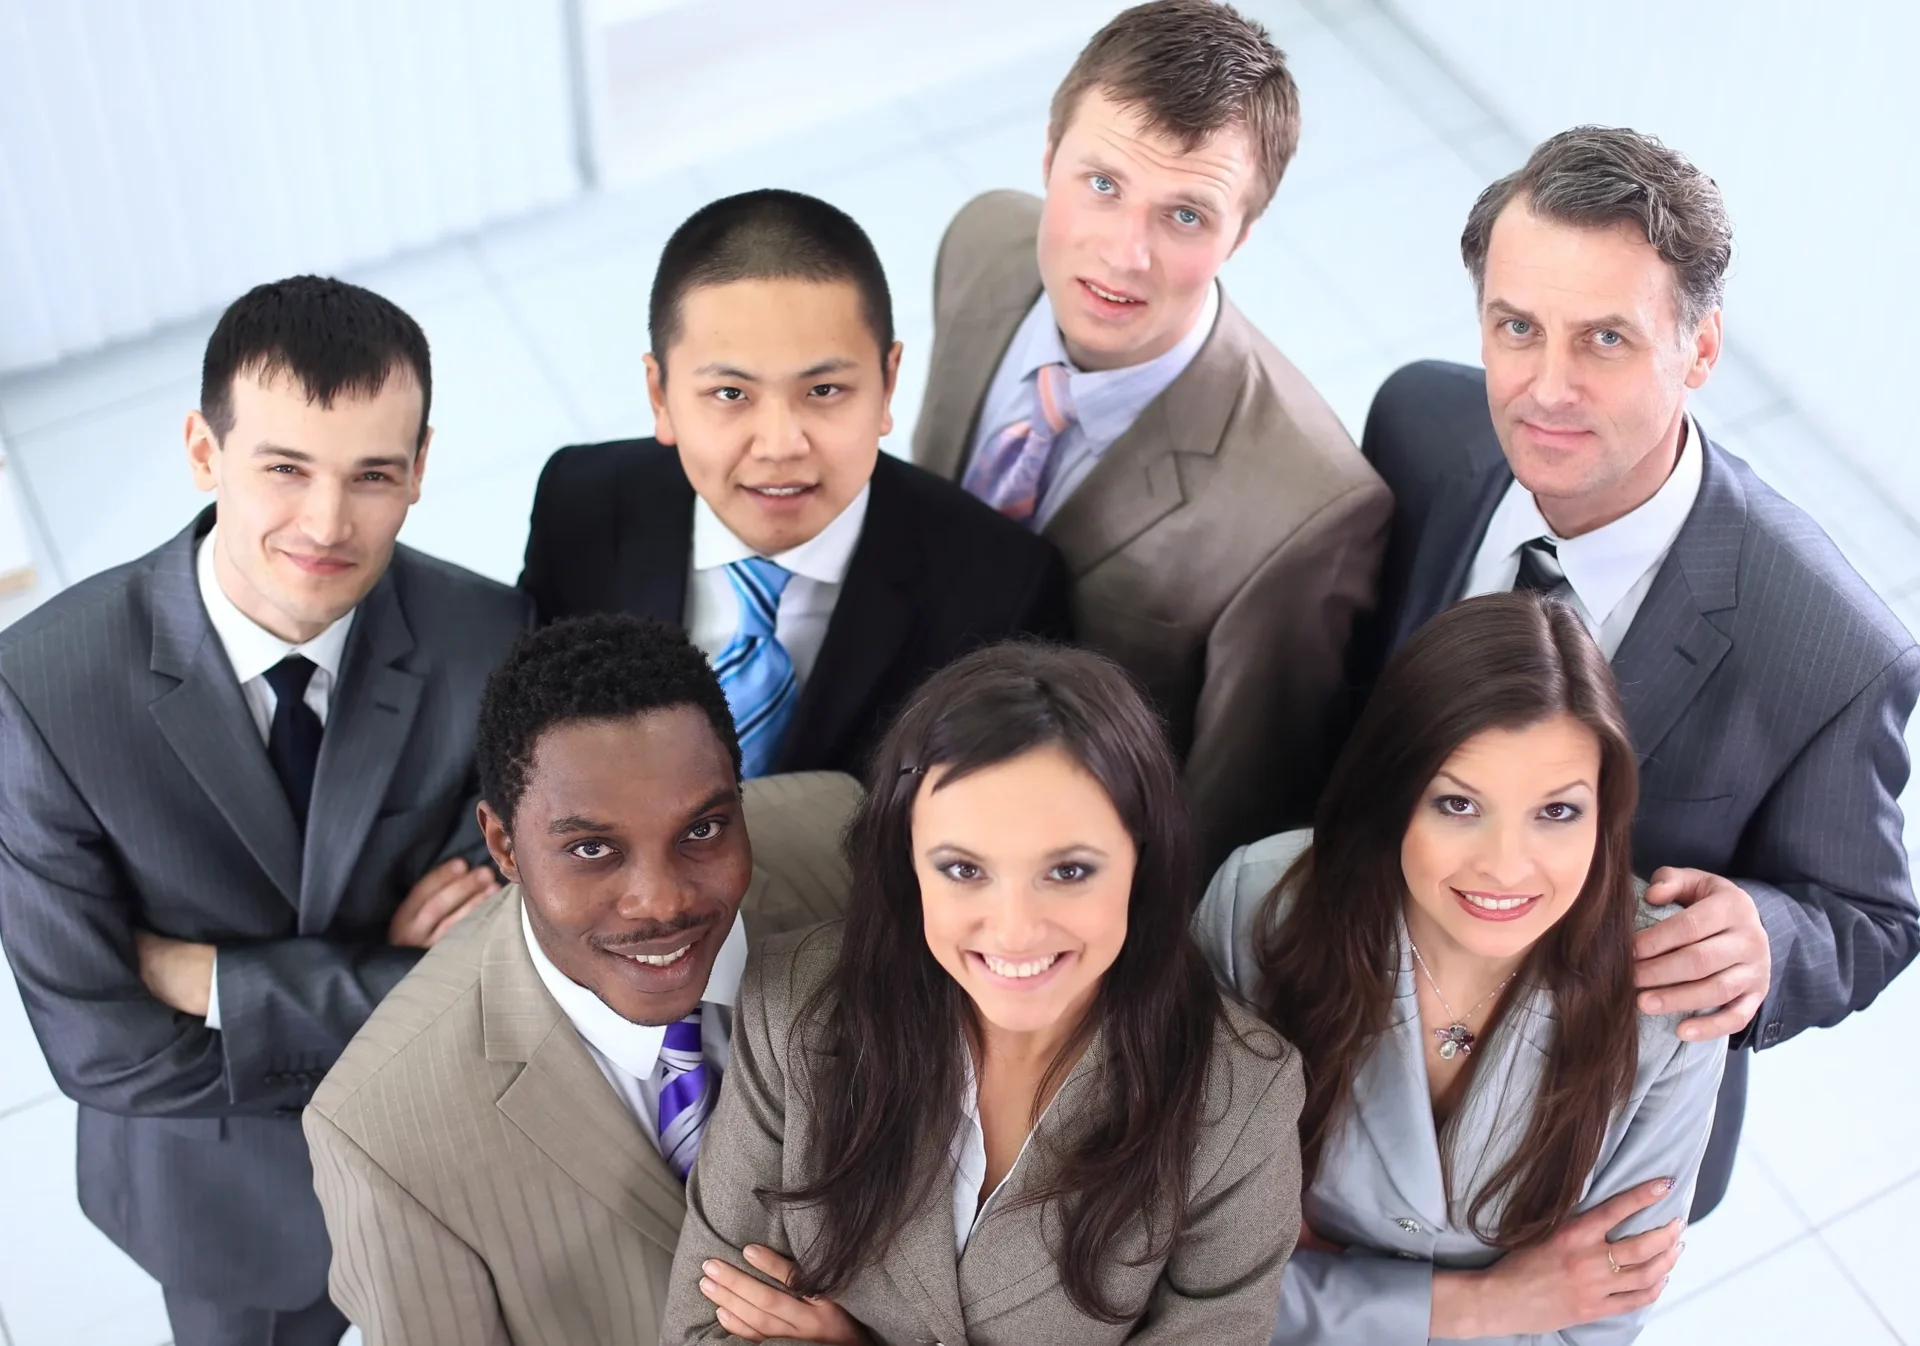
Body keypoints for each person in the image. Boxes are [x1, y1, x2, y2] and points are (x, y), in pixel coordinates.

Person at [1352, 126, 1920, 1218]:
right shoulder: (1422, 426)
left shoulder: (1832, 647)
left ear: (1698, 352)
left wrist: (1769, 938)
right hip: (1357, 1012)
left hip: (1585, 1121)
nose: (1545, 387)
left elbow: (1870, 915)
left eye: (1605, 340)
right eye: (1516, 327)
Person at [0, 276, 530, 1346]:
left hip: (444, 1169)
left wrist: (216, 982)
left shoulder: (491, 635)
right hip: (220, 1207)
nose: (327, 524)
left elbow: (501, 969)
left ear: (421, 467)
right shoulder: (41, 688)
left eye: (373, 475)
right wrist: (384, 968)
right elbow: (100, 1047)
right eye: (284, 468)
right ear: (204, 451)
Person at [661, 642, 1305, 1346]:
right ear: (909, 866)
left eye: (1068, 872)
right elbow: (702, 1329)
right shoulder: (796, 1004)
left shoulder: (1242, 1096)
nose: (1015, 929)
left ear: (1142, 863)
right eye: (965, 869)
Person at [910, 0, 1390, 867]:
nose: (1124, 254)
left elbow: (1229, 826)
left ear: (1242, 233)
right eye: (1101, 185)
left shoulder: (1309, 513)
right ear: (1049, 158)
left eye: (1184, 216)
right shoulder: (981, 243)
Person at [304, 614, 862, 1346]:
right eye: (593, 848)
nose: (662, 903)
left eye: (701, 831)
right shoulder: (387, 1142)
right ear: (502, 843)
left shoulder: (849, 852)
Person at [1198, 592, 1725, 1344]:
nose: (1506, 867)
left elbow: (1595, 1321)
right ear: (1396, 795)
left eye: (1557, 813)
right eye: (1457, 805)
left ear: (1606, 812)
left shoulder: (1670, 991)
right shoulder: (1259, 904)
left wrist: (1323, 1282)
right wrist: (1491, 1305)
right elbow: (1190, 1256)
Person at [520, 189, 1072, 781]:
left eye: (824, 391)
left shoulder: (1002, 593)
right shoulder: (580, 503)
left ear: (887, 385)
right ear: (660, 397)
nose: (780, 445)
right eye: (731, 394)